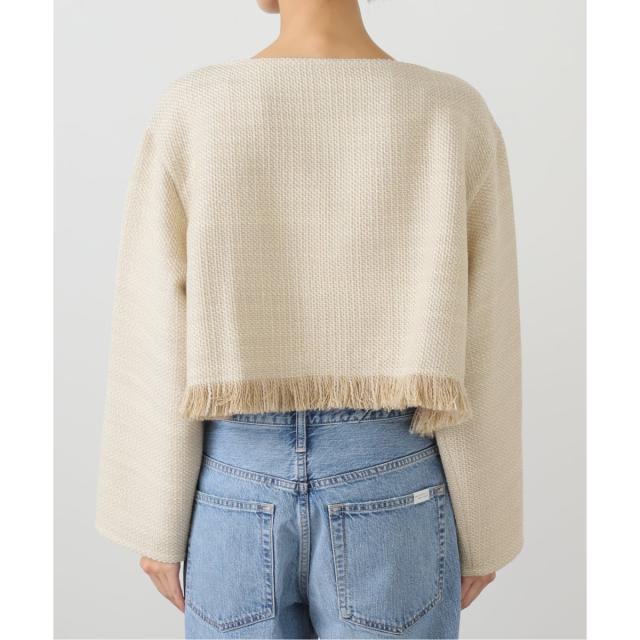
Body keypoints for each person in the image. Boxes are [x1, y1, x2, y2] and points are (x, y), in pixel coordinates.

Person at [95, 0, 523, 638]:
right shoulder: (450, 110)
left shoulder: (196, 107)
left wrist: (154, 518)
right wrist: (488, 528)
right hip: (393, 473)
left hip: (233, 480)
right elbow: (486, 329)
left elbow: (153, 319)